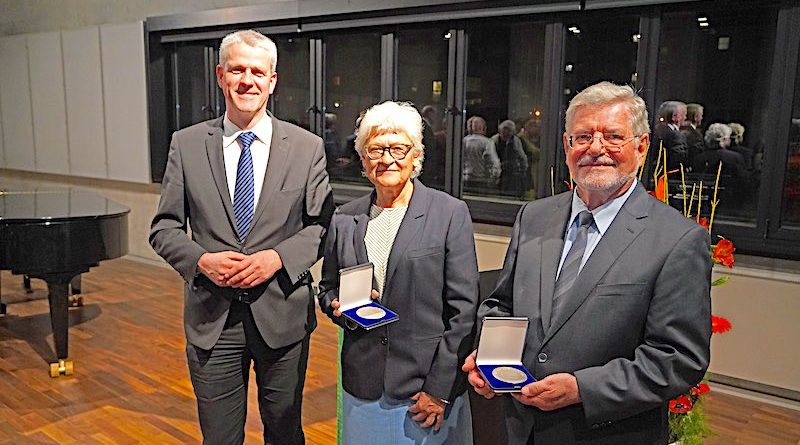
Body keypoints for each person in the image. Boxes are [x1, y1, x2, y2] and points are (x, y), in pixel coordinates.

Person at [463, 81, 711, 445]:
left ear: (641, 147)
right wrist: (488, 358)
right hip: (520, 428)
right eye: (582, 137)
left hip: (604, 433)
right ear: (567, 146)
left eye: (613, 136)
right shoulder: (534, 217)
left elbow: (678, 358)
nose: (596, 149)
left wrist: (582, 389)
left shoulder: (677, 240)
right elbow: (503, 305)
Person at [149, 30, 334, 445]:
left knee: (285, 433)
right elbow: (163, 228)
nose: (246, 80)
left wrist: (277, 259)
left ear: (272, 81)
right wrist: (201, 260)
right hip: (212, 320)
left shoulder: (307, 147)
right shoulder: (187, 144)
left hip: (282, 317)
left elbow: (321, 225)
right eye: (237, 70)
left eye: (257, 71)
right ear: (221, 75)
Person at [318, 101, 478, 445]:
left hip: (424, 393)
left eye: (398, 148)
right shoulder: (345, 218)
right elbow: (328, 287)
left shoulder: (449, 213)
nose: (387, 158)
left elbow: (464, 313)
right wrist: (336, 307)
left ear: (415, 155)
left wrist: (439, 390)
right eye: (376, 149)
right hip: (363, 387)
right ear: (363, 159)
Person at [492, 120, 529, 199]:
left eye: (509, 131)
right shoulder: (494, 140)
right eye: (504, 130)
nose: (506, 133)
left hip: (512, 172)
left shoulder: (515, 141)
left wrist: (524, 170)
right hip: (498, 171)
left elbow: (521, 156)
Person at [463, 115, 501, 192]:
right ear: (482, 127)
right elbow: (493, 162)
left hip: (464, 179)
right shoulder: (487, 142)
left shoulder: (463, 141)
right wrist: (494, 179)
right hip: (481, 181)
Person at [653, 100, 689, 170]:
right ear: (674, 117)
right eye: (684, 114)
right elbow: (679, 159)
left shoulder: (658, 130)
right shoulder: (675, 135)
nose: (685, 118)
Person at [518, 118, 542, 194]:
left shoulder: (540, 140)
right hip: (524, 173)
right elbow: (535, 152)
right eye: (533, 126)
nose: (537, 128)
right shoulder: (520, 140)